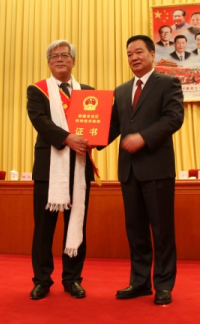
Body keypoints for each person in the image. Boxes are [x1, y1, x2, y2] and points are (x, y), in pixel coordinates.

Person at [108, 35, 184, 305]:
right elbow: (113, 126)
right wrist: (89, 140)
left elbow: (174, 118)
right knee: (135, 230)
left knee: (162, 230)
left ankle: (163, 284)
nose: (133, 58)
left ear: (152, 54)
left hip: (157, 168)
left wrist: (143, 137)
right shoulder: (120, 91)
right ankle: (140, 282)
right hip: (129, 171)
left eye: (139, 52)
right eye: (129, 54)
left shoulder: (168, 83)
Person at [26, 39, 95, 301]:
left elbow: (96, 127)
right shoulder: (37, 90)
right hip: (48, 170)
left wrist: (94, 139)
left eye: (65, 55)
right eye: (54, 56)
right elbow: (40, 121)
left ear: (73, 61)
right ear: (48, 63)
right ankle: (42, 280)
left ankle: (73, 279)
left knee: (76, 223)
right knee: (43, 229)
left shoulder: (88, 92)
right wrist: (67, 138)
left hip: (79, 168)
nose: (59, 59)